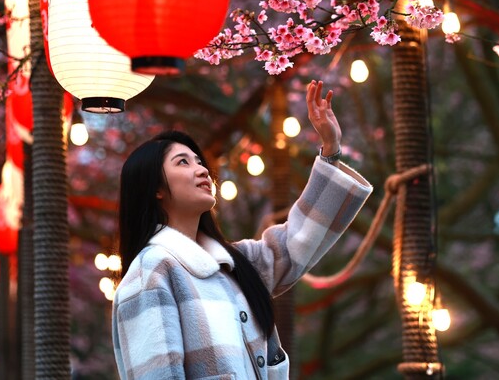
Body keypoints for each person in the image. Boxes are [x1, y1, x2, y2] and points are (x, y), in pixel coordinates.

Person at [112, 80, 373, 379]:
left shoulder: (234, 264)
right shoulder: (152, 271)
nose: (201, 170)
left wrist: (330, 151)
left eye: (200, 161)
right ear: (155, 188)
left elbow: (295, 244)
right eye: (182, 162)